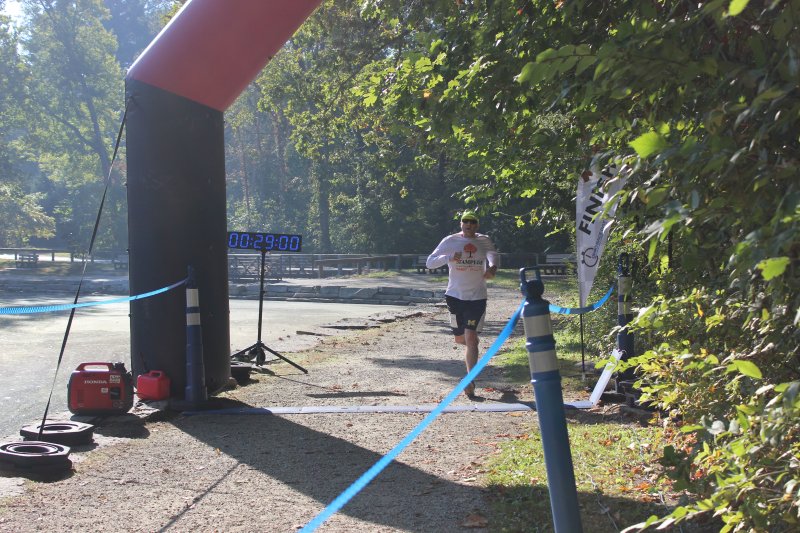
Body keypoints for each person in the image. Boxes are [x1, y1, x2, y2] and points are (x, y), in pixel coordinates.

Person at [426, 210, 499, 397]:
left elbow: (492, 254)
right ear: (461, 224)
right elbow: (430, 263)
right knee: (461, 339)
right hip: (454, 296)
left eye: (472, 222)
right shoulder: (450, 241)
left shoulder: (484, 240)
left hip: (477, 297)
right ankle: (470, 342)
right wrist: (449, 258)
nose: (469, 225)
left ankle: (470, 380)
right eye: (465, 221)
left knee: (471, 338)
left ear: (477, 225)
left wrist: (492, 267)